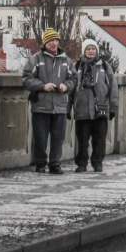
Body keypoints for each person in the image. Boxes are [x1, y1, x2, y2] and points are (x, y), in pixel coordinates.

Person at [22, 28, 77, 174]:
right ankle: (40, 163)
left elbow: (73, 79)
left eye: (56, 41)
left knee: (58, 138)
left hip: (60, 105)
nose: (54, 43)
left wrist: (66, 86)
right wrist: (42, 86)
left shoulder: (66, 60)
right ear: (45, 42)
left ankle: (55, 163)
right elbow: (26, 79)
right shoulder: (36, 59)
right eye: (51, 41)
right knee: (40, 137)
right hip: (41, 105)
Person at [71, 38, 118, 172]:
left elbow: (113, 87)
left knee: (99, 139)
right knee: (82, 139)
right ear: (84, 51)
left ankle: (97, 162)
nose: (91, 51)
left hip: (100, 109)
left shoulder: (104, 66)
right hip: (82, 110)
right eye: (88, 49)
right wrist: (68, 107)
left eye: (93, 49)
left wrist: (113, 107)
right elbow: (71, 89)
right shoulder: (77, 67)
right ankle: (81, 163)